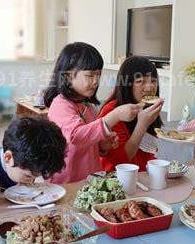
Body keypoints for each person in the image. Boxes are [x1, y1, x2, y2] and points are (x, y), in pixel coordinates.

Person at [44, 42, 142, 183]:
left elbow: (88, 141)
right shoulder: (60, 104)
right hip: (65, 182)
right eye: (90, 76)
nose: (96, 82)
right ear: (67, 76)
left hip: (89, 180)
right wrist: (114, 116)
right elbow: (76, 135)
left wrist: (102, 144)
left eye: (98, 75)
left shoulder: (88, 107)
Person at [99, 56, 164, 172]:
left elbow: (148, 151)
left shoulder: (147, 107)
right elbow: (121, 162)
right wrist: (142, 125)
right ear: (127, 85)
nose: (150, 87)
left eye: (153, 81)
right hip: (117, 179)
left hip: (143, 176)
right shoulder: (112, 111)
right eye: (140, 81)